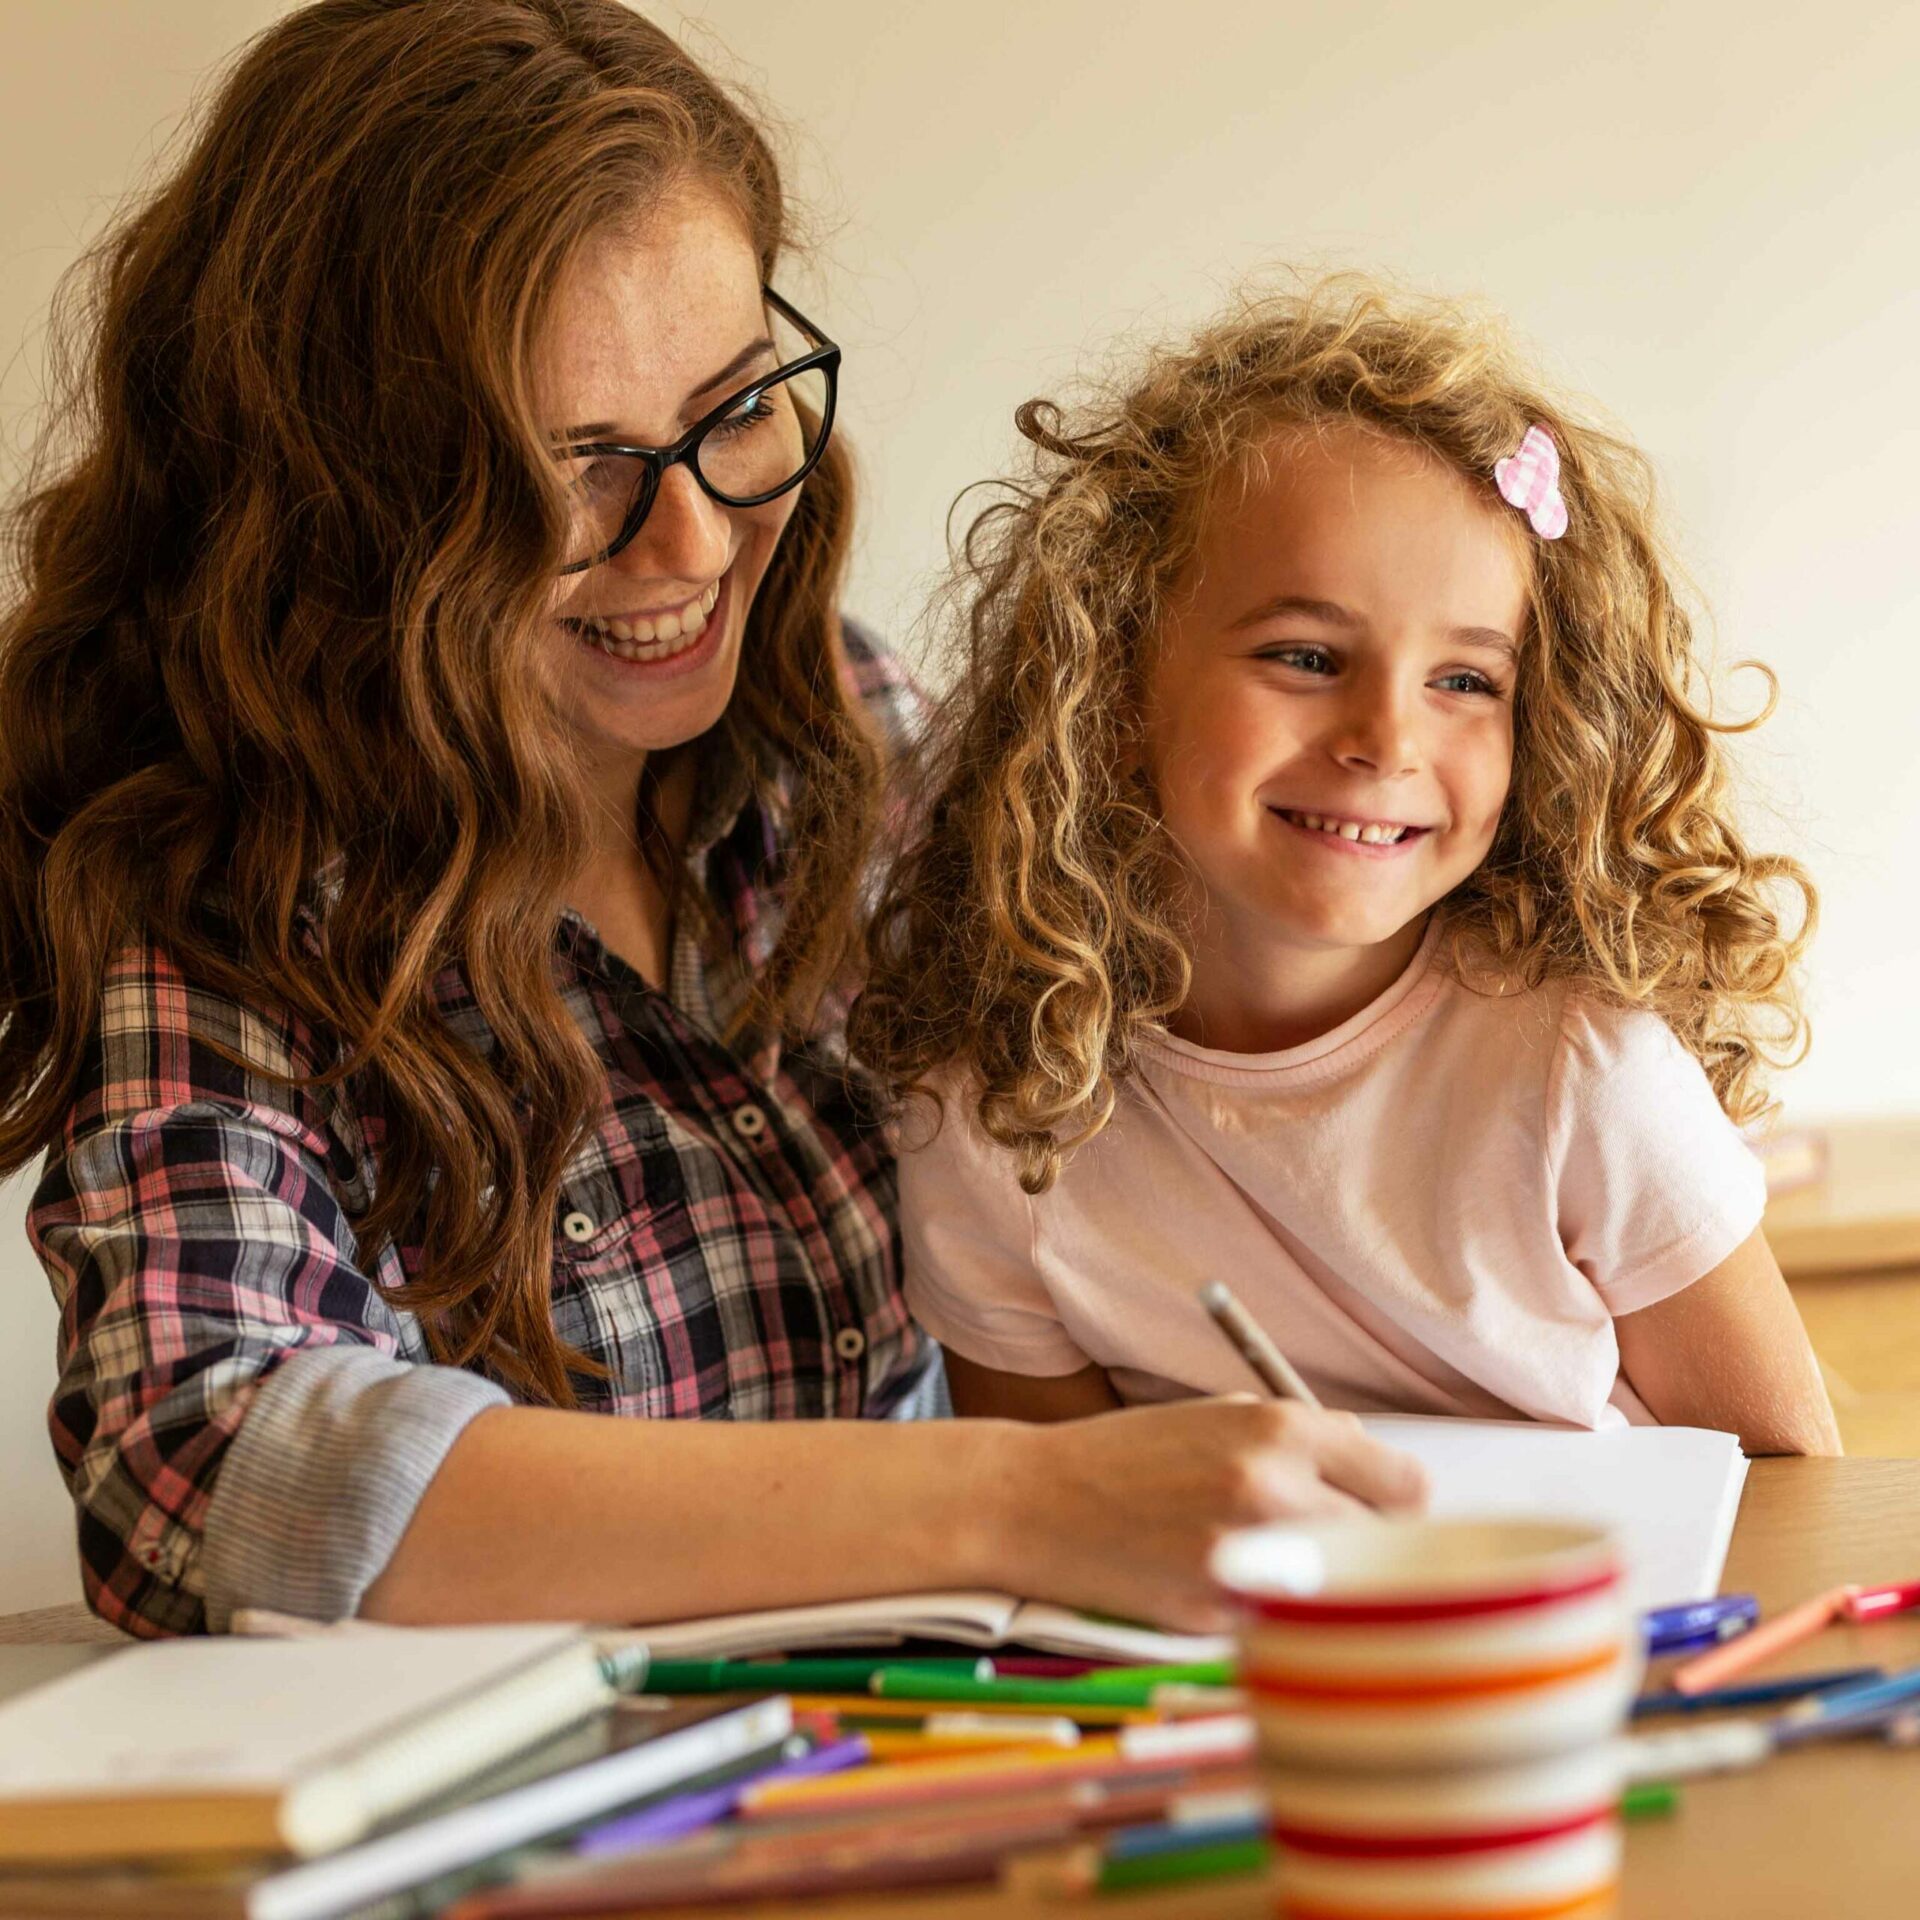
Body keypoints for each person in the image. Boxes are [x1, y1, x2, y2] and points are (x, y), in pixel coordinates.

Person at [0, 3, 1424, 1641]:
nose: (687, 543)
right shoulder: (220, 883)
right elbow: (202, 1461)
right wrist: (1021, 1504)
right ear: (348, 485)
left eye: (738, 410)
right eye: (575, 464)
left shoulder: (850, 737)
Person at [858, 276, 1842, 1454]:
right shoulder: (990, 1121)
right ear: (1113, 684)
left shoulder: (1582, 1069)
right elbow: (1044, 1541)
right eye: (1308, 655)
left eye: (1467, 680)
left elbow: (1790, 1486)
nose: (1385, 738)